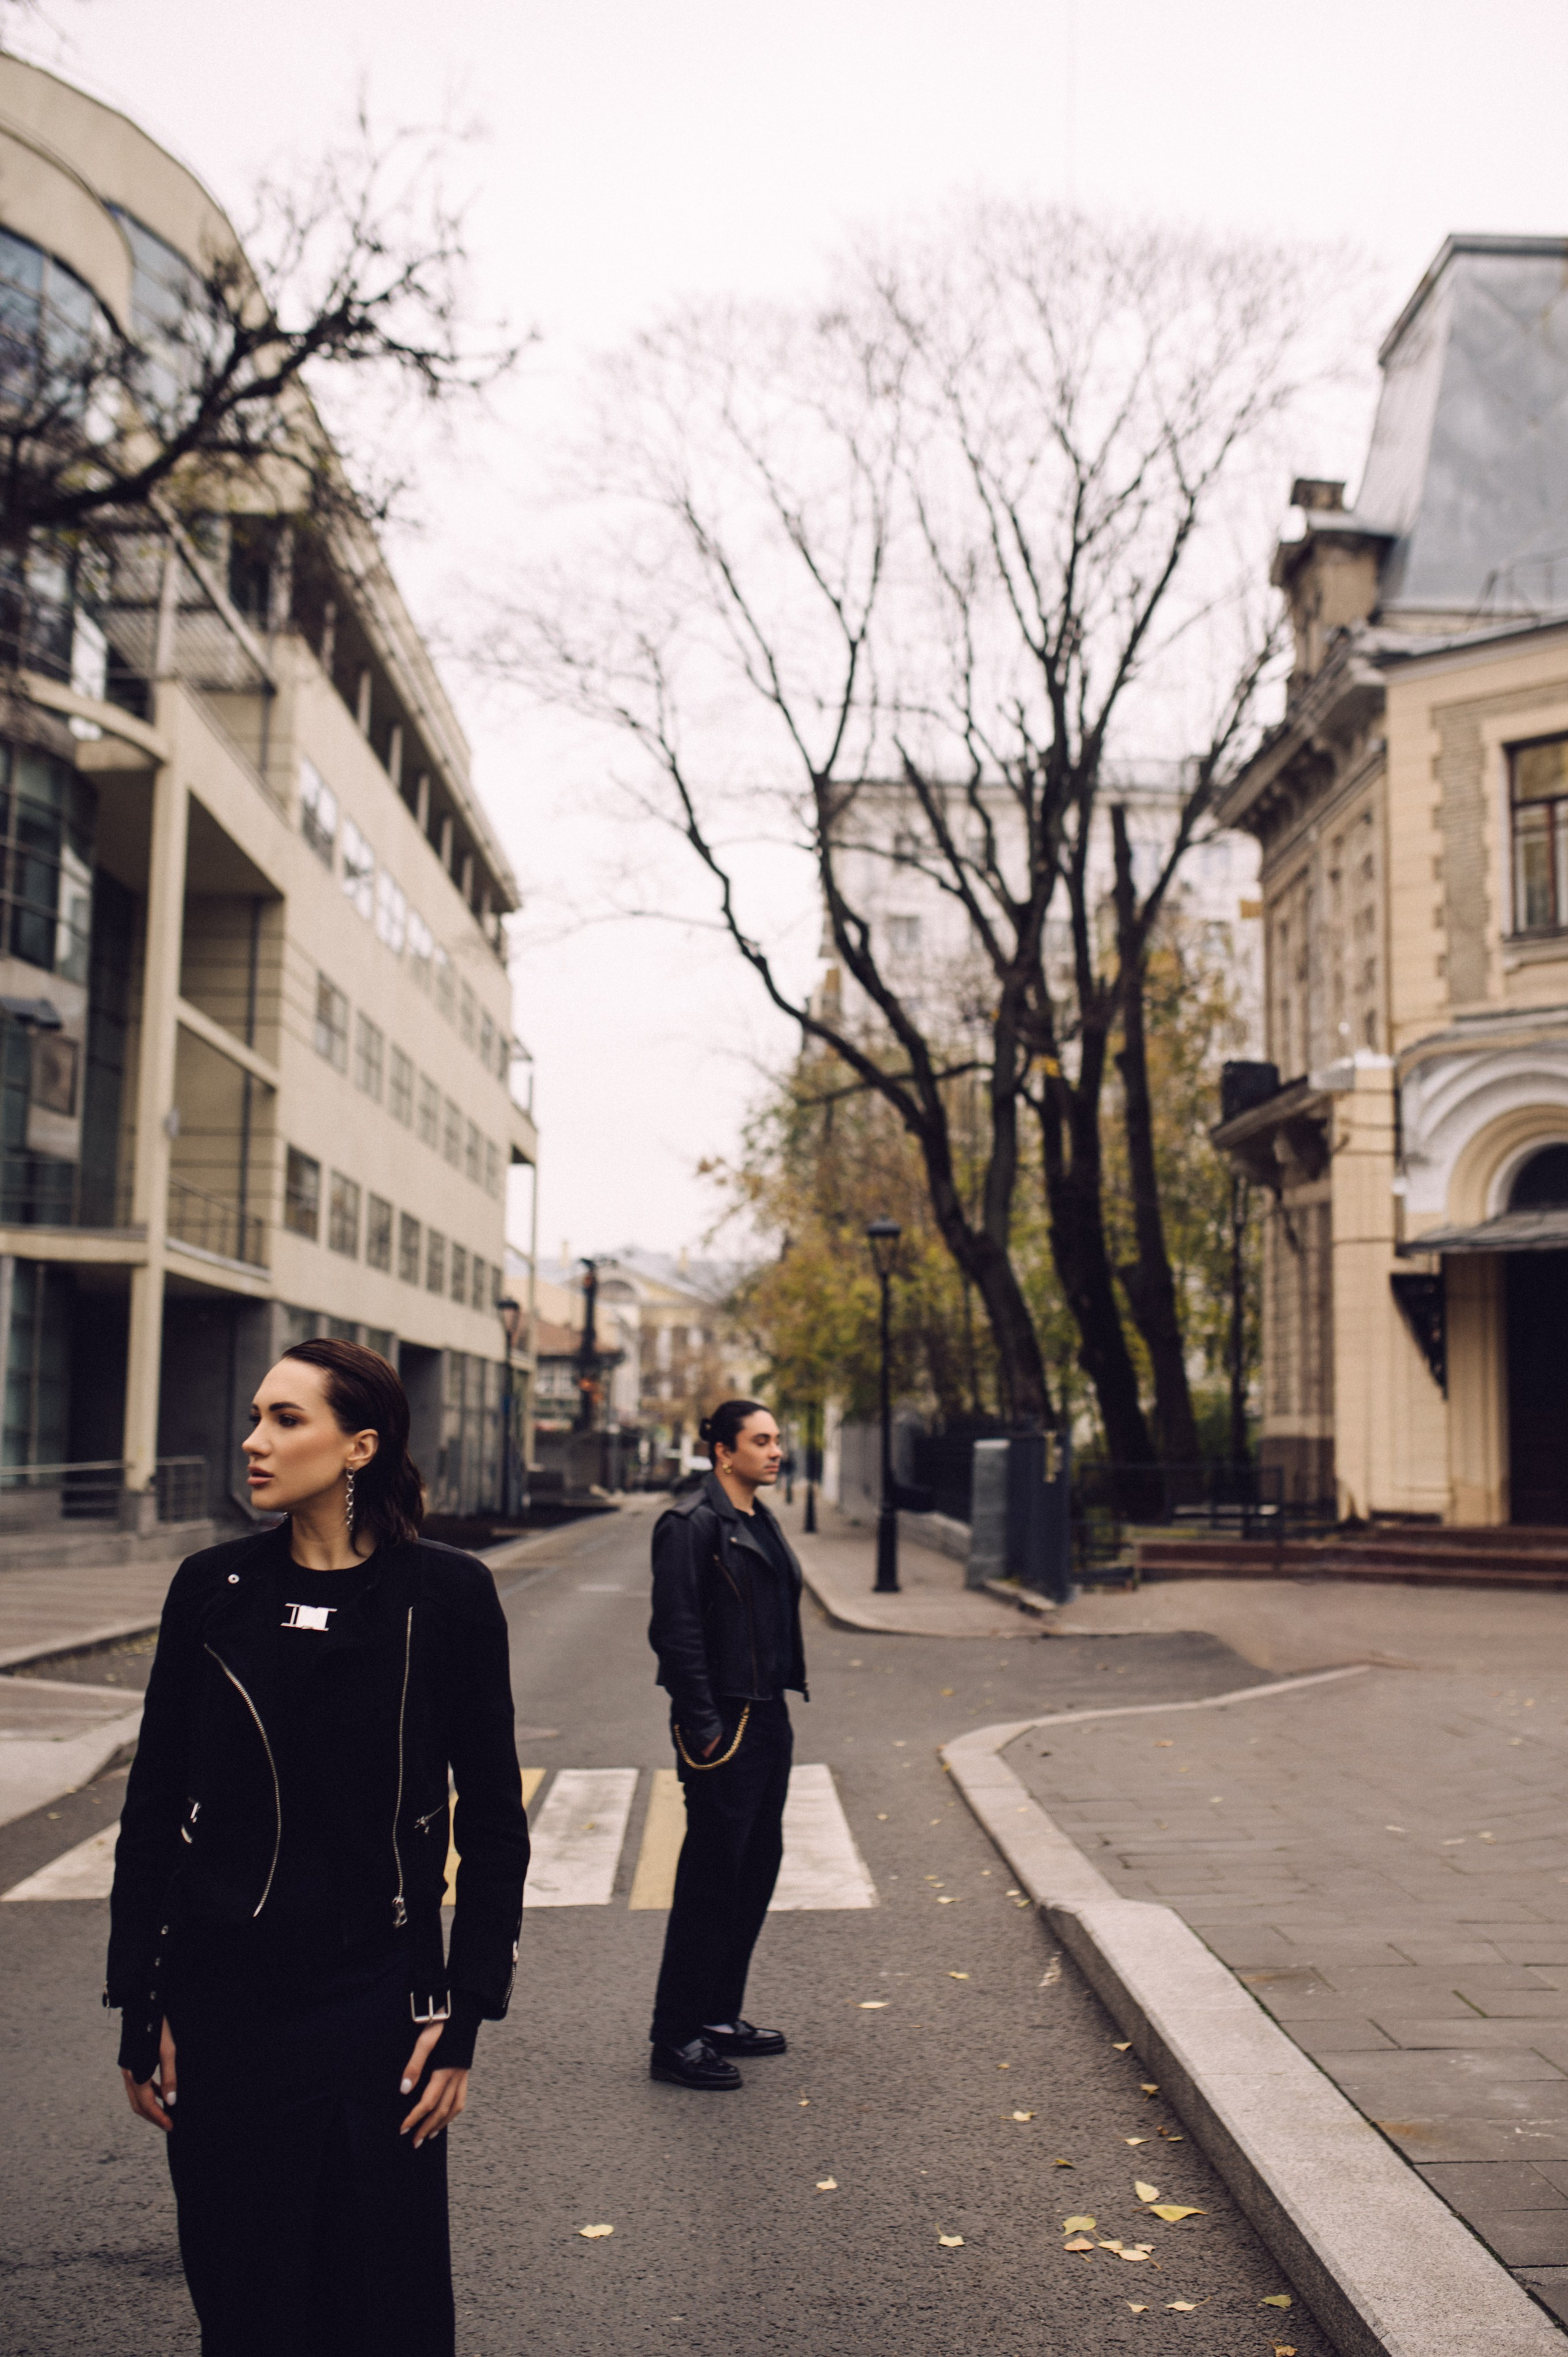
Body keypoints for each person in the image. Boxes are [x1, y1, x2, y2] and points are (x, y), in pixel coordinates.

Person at [105, 1339, 529, 2356]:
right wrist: (140, 1998)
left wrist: (465, 2010)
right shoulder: (213, 1589)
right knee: (245, 2300)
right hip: (224, 1999)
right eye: (255, 1414)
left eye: (286, 1419)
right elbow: (155, 1801)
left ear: (360, 1446)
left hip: (377, 2002)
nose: (253, 1440)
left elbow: (495, 1821)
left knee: (379, 2301)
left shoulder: (448, 1595)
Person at [646, 1398, 807, 2090]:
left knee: (754, 1868)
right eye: (761, 1440)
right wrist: (705, 1725)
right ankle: (674, 2034)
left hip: (769, 1716)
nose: (775, 1450)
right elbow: (676, 1631)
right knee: (710, 1879)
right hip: (726, 1722)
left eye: (776, 1440)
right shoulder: (692, 1524)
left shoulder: (756, 1519)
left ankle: (718, 2013)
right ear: (723, 1451)